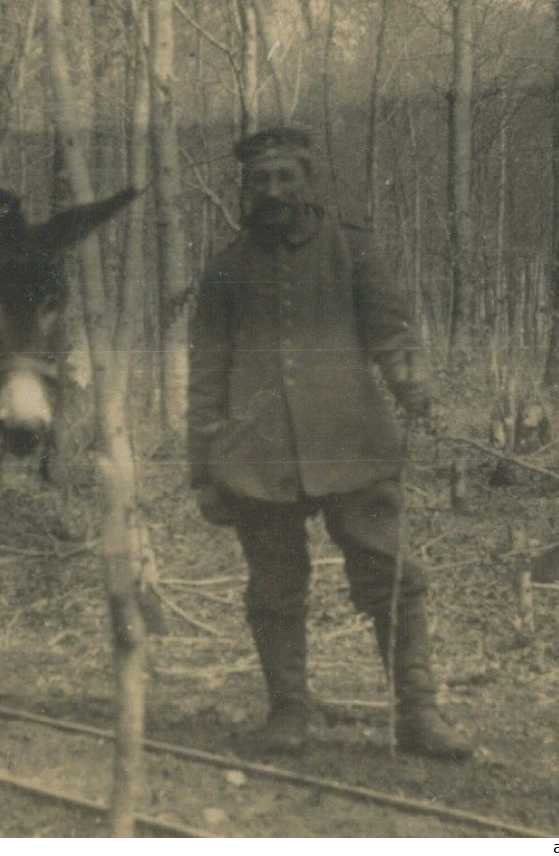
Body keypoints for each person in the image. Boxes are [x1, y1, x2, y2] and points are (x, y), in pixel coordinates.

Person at [187, 126, 472, 761]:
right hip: (257, 457)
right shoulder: (226, 269)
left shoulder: (353, 248)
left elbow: (391, 331)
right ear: (246, 187)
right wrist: (203, 468)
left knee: (390, 575)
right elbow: (207, 373)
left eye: (286, 177)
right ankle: (288, 713)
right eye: (260, 180)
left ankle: (418, 715)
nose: (273, 191)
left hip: (352, 444)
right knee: (273, 589)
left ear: (308, 180)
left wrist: (418, 394)